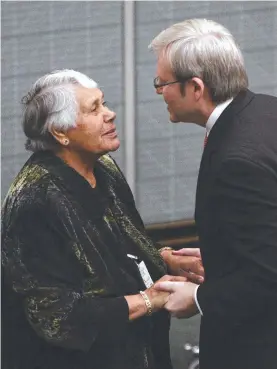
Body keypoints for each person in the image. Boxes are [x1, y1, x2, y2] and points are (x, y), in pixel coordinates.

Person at [1, 69, 204, 369]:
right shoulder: (34, 202)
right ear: (60, 132)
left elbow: (122, 246)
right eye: (94, 109)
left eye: (104, 103)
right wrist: (149, 300)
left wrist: (165, 259)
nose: (110, 114)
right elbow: (57, 318)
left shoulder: (102, 167)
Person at [149, 18, 277, 369]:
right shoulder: (265, 110)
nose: (159, 92)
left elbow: (268, 276)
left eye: (162, 83)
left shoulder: (238, 159)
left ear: (196, 87)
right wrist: (222, 251)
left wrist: (199, 297)